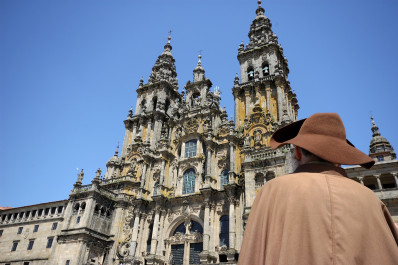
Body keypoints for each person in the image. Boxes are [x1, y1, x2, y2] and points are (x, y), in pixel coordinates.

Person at [238, 113, 398, 265]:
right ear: (341, 159)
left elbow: (252, 256)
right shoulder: (370, 200)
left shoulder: (272, 191)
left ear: (297, 153)